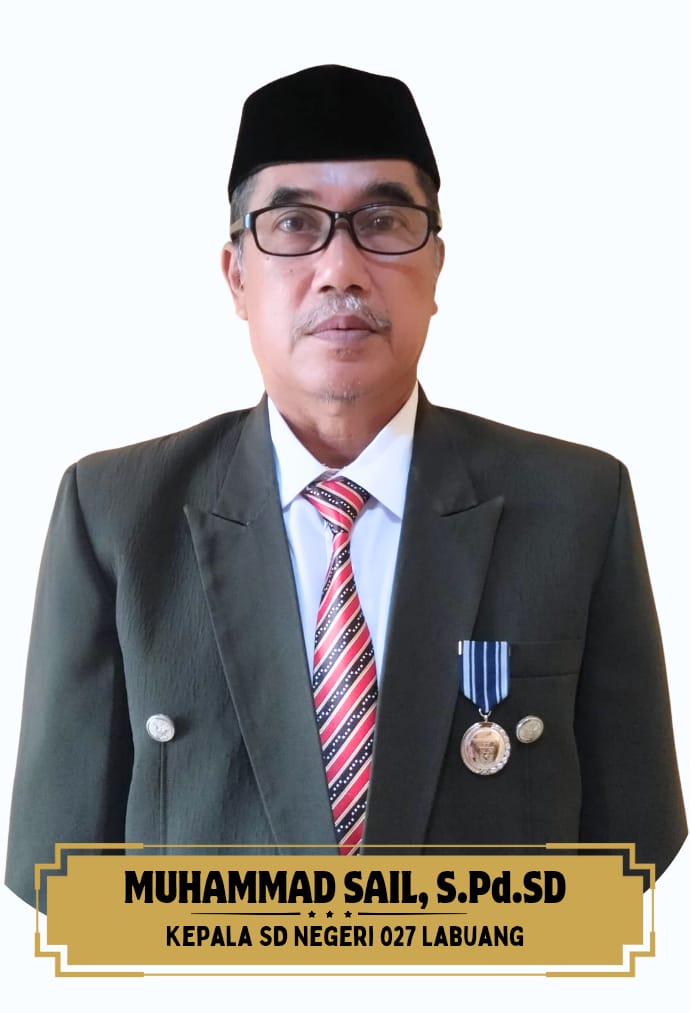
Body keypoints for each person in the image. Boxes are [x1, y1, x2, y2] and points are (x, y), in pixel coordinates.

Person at [5, 64, 686, 910]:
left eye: (384, 222)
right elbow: (58, 887)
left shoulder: (577, 508)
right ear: (236, 275)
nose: (340, 268)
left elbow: (639, 875)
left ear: (436, 265)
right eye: (294, 224)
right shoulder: (114, 517)